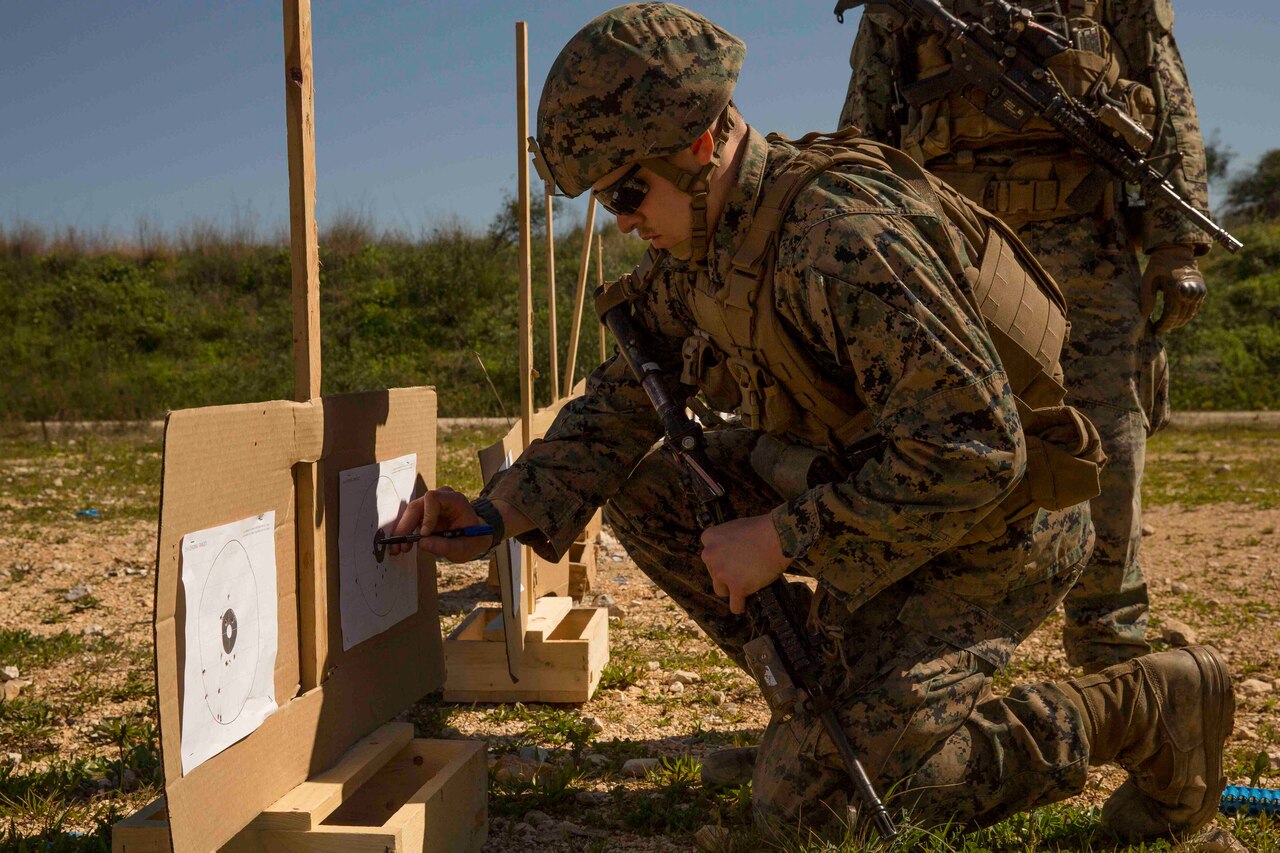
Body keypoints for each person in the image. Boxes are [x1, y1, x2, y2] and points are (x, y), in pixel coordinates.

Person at [393, 3, 1232, 838]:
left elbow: (977, 449)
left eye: (626, 190)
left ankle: (1146, 704)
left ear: (697, 145)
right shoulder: (706, 241)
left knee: (811, 810)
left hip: (994, 531)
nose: (622, 219)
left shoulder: (840, 241)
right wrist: (499, 510)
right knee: (654, 493)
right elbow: (622, 394)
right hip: (879, 498)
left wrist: (784, 539)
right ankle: (826, 711)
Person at [838, 0, 1214, 673]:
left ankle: (1113, 652)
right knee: (940, 440)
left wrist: (1175, 245)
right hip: (953, 249)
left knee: (1109, 441)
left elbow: (1165, 91)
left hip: (1084, 246)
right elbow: (867, 122)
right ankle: (931, 660)